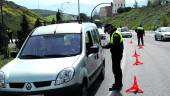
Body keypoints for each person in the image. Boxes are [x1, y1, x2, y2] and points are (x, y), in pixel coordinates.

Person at [104, 24, 124, 91]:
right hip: (116, 54)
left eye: (107, 30)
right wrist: (107, 45)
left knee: (116, 70)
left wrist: (107, 46)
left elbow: (114, 44)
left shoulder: (115, 34)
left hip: (117, 55)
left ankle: (117, 85)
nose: (107, 32)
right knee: (117, 69)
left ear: (110, 28)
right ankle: (118, 83)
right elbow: (112, 43)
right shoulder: (114, 33)